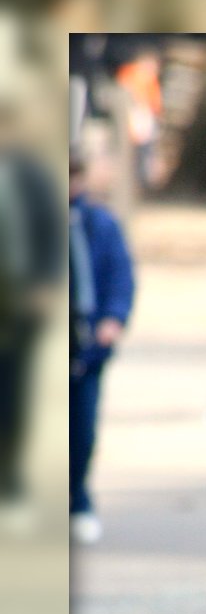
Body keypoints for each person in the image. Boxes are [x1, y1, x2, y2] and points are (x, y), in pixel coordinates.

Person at [0, 93, 64, 531]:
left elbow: (49, 230)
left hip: (18, 301)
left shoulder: (31, 176)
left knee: (14, 394)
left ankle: (11, 485)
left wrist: (45, 283)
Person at [69, 146, 136, 545]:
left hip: (85, 347)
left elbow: (120, 277)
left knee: (81, 431)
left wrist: (113, 318)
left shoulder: (98, 224)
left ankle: (77, 500)